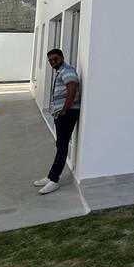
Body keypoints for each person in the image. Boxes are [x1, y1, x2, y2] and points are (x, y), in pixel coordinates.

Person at [34, 48, 81, 195]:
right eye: (50, 60)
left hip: (68, 113)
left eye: (56, 59)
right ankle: (51, 177)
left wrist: (65, 109)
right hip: (62, 113)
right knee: (60, 144)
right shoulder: (61, 72)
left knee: (62, 146)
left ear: (62, 58)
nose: (53, 62)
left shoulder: (67, 71)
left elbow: (72, 88)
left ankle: (54, 180)